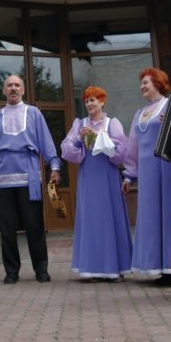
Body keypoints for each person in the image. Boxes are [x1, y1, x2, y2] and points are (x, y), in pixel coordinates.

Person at [0, 74, 61, 284]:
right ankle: (11, 271)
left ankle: (41, 269)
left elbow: (46, 143)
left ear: (23, 90)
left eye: (17, 85)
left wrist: (55, 166)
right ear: (3, 91)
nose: (13, 88)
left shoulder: (34, 113)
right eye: (9, 85)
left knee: (35, 225)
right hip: (4, 179)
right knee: (7, 228)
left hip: (30, 175)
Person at [61, 86, 132, 281]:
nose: (90, 104)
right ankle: (91, 268)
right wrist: (79, 138)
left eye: (93, 100)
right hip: (89, 177)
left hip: (108, 176)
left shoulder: (112, 123)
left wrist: (104, 140)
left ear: (102, 101)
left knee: (109, 218)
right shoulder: (80, 124)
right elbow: (66, 150)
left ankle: (114, 268)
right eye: (86, 101)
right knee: (91, 219)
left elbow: (123, 151)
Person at [121, 68, 171, 284]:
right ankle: (160, 267)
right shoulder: (140, 113)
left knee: (169, 216)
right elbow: (133, 147)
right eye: (141, 83)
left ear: (158, 83)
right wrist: (129, 176)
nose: (142, 87)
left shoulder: (170, 105)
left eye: (146, 82)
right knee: (151, 218)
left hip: (167, 169)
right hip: (147, 174)